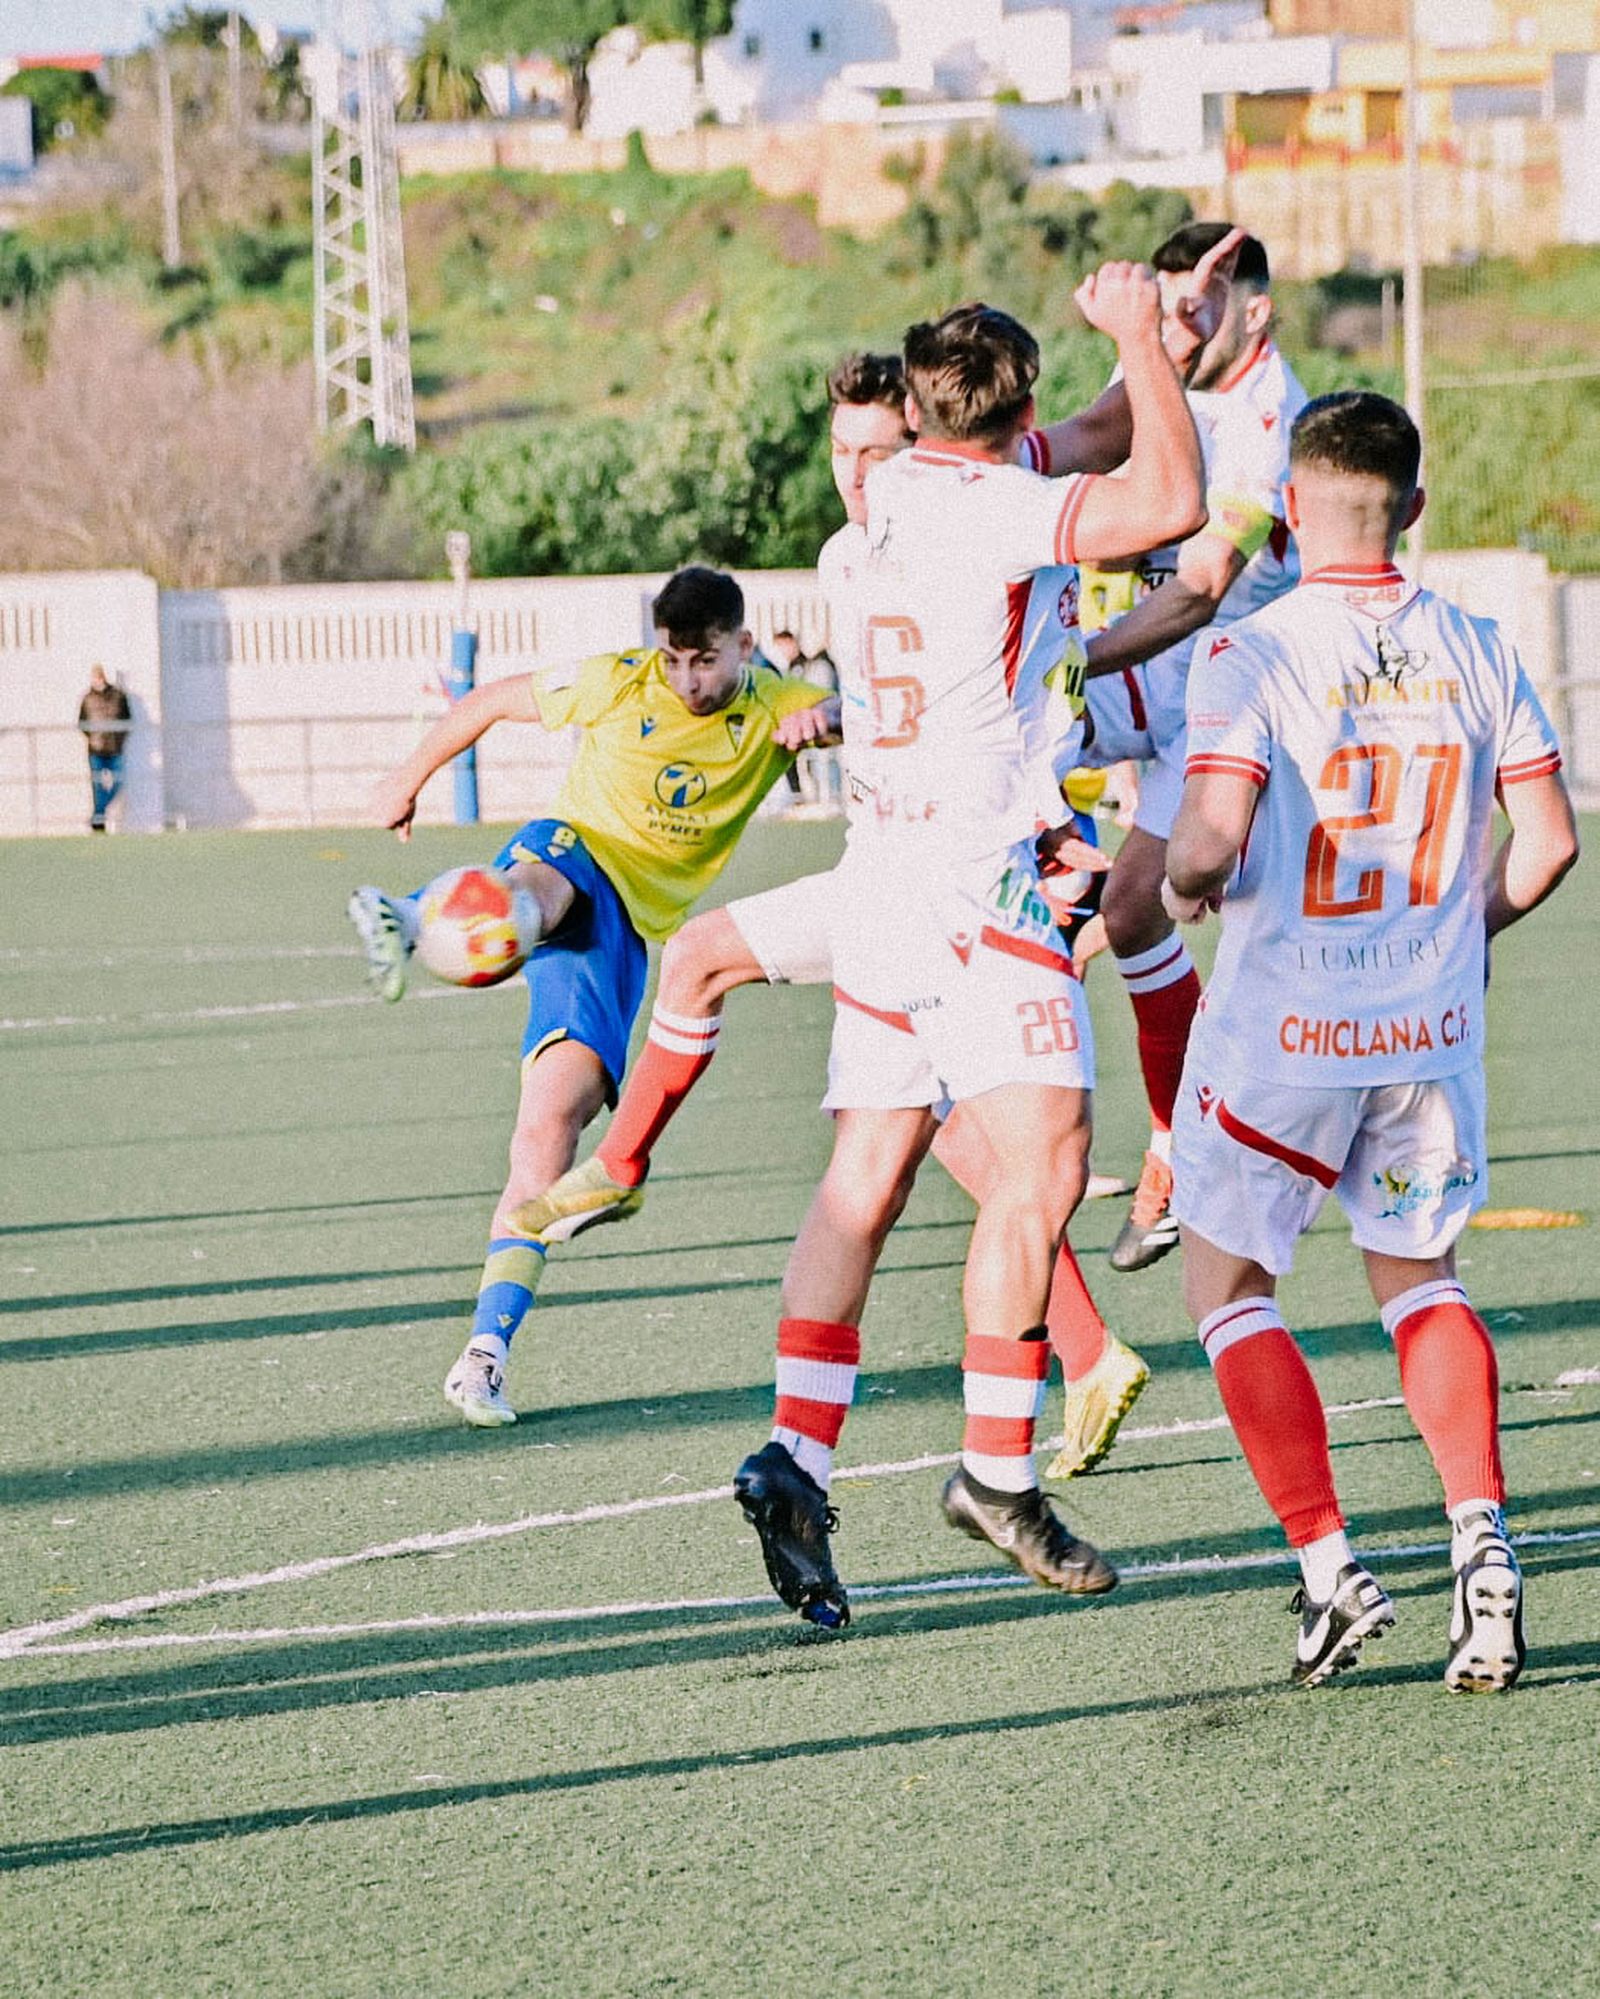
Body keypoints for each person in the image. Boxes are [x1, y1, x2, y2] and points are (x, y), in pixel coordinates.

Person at [729, 276, 1206, 1629]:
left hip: (883, 873)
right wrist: (1136, 343)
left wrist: (1159, 350)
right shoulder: (994, 507)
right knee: (1045, 1161)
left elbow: (1105, 439)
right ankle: (998, 1468)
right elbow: (1163, 496)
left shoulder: (881, 511)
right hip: (977, 883)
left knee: (864, 1175)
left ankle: (799, 1452)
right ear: (1018, 403)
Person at [1163, 391, 1578, 1689]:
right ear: (1415, 504)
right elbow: (1552, 840)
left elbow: (1213, 840)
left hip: (1282, 1034)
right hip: (1427, 1029)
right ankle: (1485, 1548)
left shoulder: (1252, 651)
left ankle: (1331, 1566)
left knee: (1228, 1291)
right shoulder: (1481, 643)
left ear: (1291, 507)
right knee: (1422, 1280)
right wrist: (1462, 934)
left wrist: (1179, 881)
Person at [346, 566, 838, 1426]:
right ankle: (413, 914)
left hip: (625, 935)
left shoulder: (777, 703)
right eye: (675, 659)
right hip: (573, 851)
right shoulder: (620, 681)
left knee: (548, 1134)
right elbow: (491, 700)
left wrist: (831, 721)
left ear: (744, 648)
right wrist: (406, 777)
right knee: (537, 891)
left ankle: (487, 1350)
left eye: (706, 661)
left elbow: (876, 724)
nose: (688, 679)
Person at [1067, 225, 1310, 1275]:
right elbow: (1085, 435)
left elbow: (1204, 584)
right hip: (1154, 669)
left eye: (1193, 310)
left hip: (1232, 690)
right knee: (990, 733)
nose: (1174, 329)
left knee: (1132, 910)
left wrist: (1075, 659)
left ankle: (1176, 1145)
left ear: (1252, 311)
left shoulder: (1267, 417)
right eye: (1161, 310)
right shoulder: (1178, 365)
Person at [77, 665, 132, 833]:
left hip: (115, 748)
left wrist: (119, 738)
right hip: (96, 750)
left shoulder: (118, 696)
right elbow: (82, 723)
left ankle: (97, 815)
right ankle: (99, 822)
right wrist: (93, 738)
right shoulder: (87, 699)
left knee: (119, 781)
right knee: (97, 787)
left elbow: (127, 720)